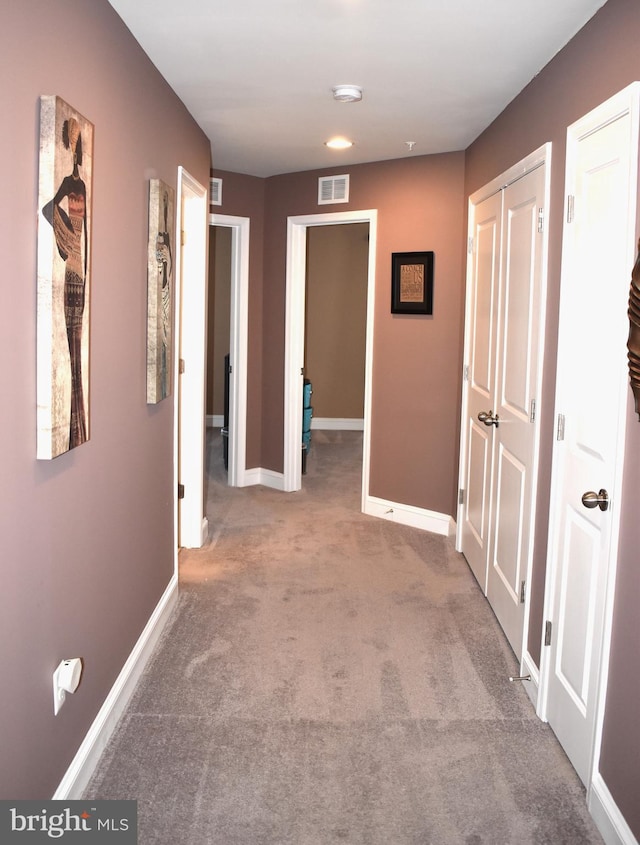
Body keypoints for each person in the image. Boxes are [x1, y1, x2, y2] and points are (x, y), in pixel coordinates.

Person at [42, 117, 88, 449]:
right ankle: (72, 426)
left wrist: (75, 245)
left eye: (76, 144)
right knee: (70, 343)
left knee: (78, 339)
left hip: (81, 270)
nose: (73, 150)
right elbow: (47, 209)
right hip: (71, 265)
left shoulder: (82, 186)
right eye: (69, 143)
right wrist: (65, 243)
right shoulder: (66, 184)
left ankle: (77, 422)